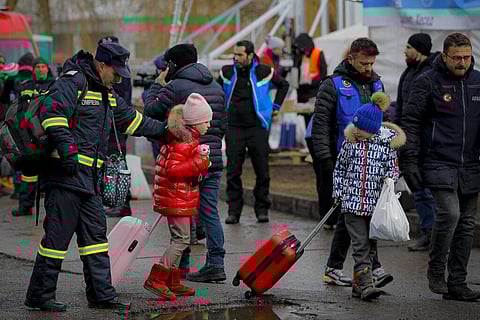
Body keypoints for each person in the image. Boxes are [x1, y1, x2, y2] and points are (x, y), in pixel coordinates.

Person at [24, 42, 167, 312]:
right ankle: (39, 295)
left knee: (96, 239)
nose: (119, 78)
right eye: (116, 72)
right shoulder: (74, 81)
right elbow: (52, 113)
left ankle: (101, 294)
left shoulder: (106, 93)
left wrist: (166, 131)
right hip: (65, 175)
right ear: (102, 66)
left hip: (89, 180)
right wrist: (68, 150)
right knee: (56, 240)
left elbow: (131, 120)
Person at [401, 32, 480, 302]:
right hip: (437, 160)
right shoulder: (427, 82)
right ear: (444, 56)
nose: (462, 63)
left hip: (471, 164)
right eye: (456, 58)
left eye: (467, 57)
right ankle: (436, 270)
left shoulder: (478, 82)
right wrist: (408, 159)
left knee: (467, 223)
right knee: (450, 213)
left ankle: (457, 281)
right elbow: (410, 122)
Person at [311, 37, 393, 288]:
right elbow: (321, 124)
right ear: (351, 59)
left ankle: (343, 268)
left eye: (372, 63)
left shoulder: (377, 83)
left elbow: (385, 121)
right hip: (341, 160)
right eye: (364, 63)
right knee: (354, 215)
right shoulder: (332, 85)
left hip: (372, 161)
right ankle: (367, 268)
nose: (369, 68)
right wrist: (325, 158)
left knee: (360, 214)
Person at [144, 43, 228, 283]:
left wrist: (156, 84)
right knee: (209, 211)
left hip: (185, 160)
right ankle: (216, 264)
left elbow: (151, 110)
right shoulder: (216, 86)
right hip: (211, 159)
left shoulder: (174, 87)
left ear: (173, 65)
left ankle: (180, 268)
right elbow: (222, 124)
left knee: (184, 211)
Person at [333, 92, 405, 300]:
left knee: (371, 243)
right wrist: (339, 192)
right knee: (360, 243)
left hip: (375, 205)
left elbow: (393, 169)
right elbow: (340, 169)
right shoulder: (350, 143)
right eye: (355, 127)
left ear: (373, 129)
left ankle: (358, 284)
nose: (357, 131)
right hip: (352, 204)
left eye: (361, 129)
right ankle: (366, 285)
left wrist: (389, 181)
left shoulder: (385, 146)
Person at [144, 93, 212, 301]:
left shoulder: (188, 139)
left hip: (179, 197)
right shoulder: (184, 142)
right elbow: (174, 170)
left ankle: (172, 281)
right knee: (181, 239)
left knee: (179, 239)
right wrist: (200, 163)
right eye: (206, 121)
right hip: (175, 198)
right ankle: (156, 279)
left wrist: (202, 166)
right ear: (195, 122)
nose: (209, 125)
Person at [218, 40, 289, 225]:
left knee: (262, 171)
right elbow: (216, 91)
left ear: (250, 55)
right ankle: (234, 211)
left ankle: (262, 209)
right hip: (233, 127)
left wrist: (276, 106)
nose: (235, 58)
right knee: (233, 172)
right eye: (234, 54)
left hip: (257, 127)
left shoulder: (264, 71)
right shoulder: (226, 72)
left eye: (240, 54)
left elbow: (284, 85)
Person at [394, 33, 438, 251]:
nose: (405, 51)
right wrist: (395, 132)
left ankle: (433, 234)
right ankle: (428, 231)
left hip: (426, 141)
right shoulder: (408, 72)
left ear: (419, 50)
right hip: (407, 139)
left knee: (425, 188)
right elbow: (401, 106)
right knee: (417, 186)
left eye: (408, 47)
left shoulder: (432, 74)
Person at [11, 56, 54, 216]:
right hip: (28, 136)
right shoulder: (25, 85)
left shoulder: (55, 85)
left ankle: (53, 208)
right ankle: (26, 205)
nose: (41, 69)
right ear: (33, 69)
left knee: (50, 172)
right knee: (28, 173)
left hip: (48, 134)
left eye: (43, 66)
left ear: (47, 68)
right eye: (38, 67)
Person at [98, 35, 134, 217]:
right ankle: (116, 200)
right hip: (114, 124)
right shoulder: (122, 69)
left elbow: (118, 101)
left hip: (115, 125)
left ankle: (122, 202)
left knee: (117, 164)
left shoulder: (118, 72)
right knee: (114, 163)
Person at [292, 32, 327, 103]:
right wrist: (295, 61)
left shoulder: (318, 54)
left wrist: (313, 83)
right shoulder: (299, 56)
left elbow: (323, 73)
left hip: (315, 91)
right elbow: (295, 77)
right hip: (302, 93)